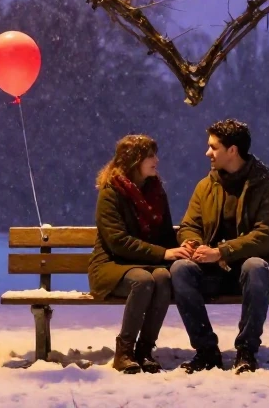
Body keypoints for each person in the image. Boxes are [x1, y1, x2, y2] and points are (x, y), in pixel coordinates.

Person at [171, 119, 269, 375]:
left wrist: (222, 251)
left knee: (255, 266)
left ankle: (246, 351)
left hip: (251, 275)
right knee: (181, 269)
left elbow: (266, 236)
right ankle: (206, 351)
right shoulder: (206, 186)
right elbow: (189, 224)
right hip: (214, 274)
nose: (207, 153)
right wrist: (193, 243)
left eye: (213, 147)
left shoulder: (267, 186)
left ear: (233, 150)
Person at [88, 134, 191, 373]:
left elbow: (165, 233)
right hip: (111, 265)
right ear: (135, 161)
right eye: (150, 156)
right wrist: (163, 253)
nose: (157, 160)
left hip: (144, 262)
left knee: (163, 278)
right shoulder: (111, 193)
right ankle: (124, 351)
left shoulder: (155, 191)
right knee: (143, 281)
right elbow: (118, 242)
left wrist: (183, 247)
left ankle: (144, 351)